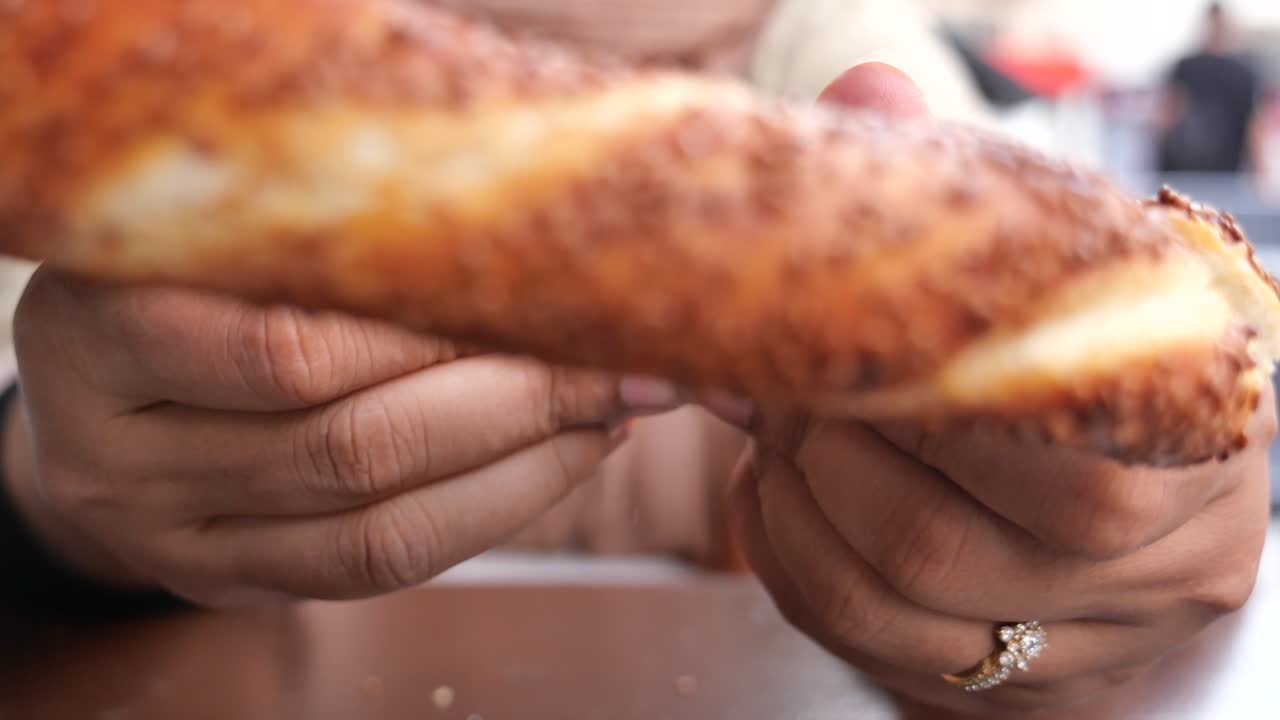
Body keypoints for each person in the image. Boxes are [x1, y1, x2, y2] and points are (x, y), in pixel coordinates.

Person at [0, 2, 1273, 718]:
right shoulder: (141, 76)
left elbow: (1138, 563)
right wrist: (54, 508)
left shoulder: (854, 73)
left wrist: (1082, 608)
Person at [1157, 2, 1262, 175]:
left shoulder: (1187, 66)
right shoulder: (1244, 72)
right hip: (1202, 170)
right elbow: (1170, 113)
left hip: (1204, 171)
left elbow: (1169, 114)